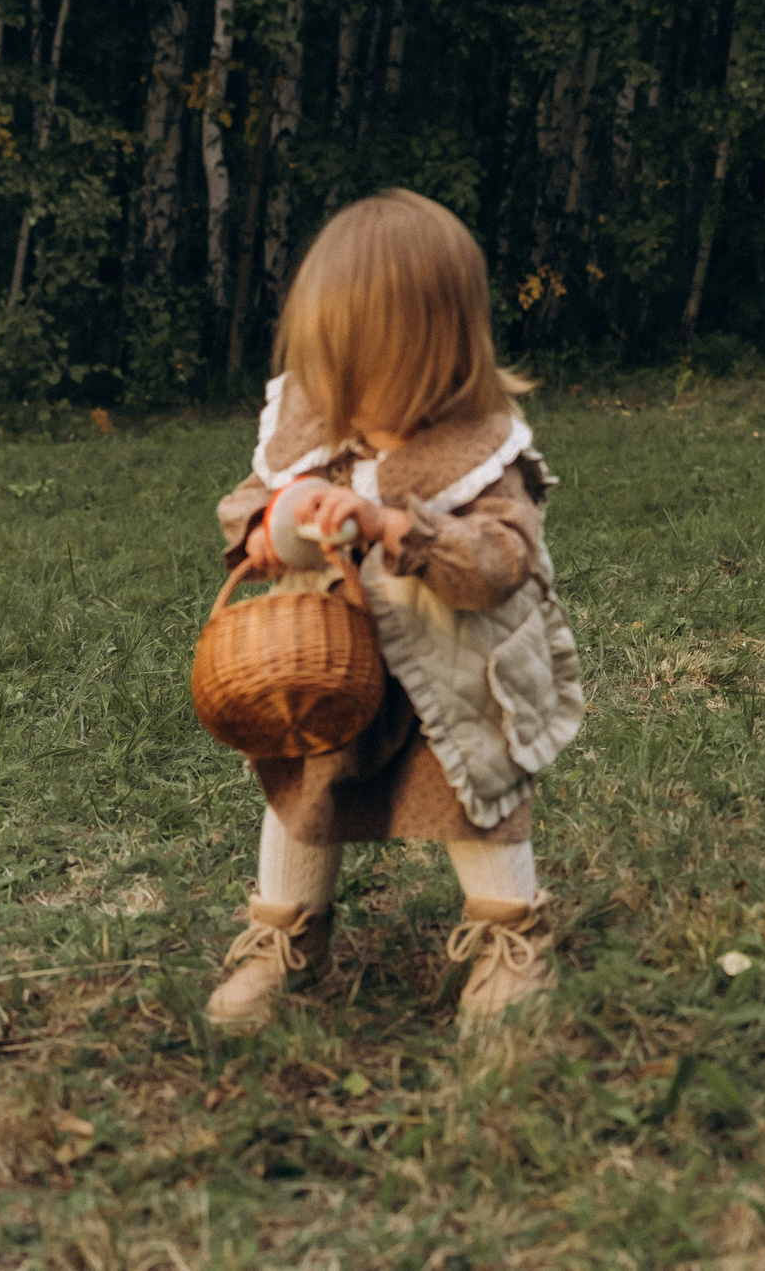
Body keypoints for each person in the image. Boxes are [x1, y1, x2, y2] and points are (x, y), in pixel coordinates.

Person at [204, 191, 586, 1035]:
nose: (343, 391)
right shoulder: (315, 424)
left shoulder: (482, 449)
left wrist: (396, 529)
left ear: (439, 359)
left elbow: (500, 562)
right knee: (303, 796)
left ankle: (510, 936)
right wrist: (271, 525)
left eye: (367, 371)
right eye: (331, 367)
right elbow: (246, 502)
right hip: (329, 675)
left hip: (452, 677)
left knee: (476, 796)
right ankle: (287, 936)